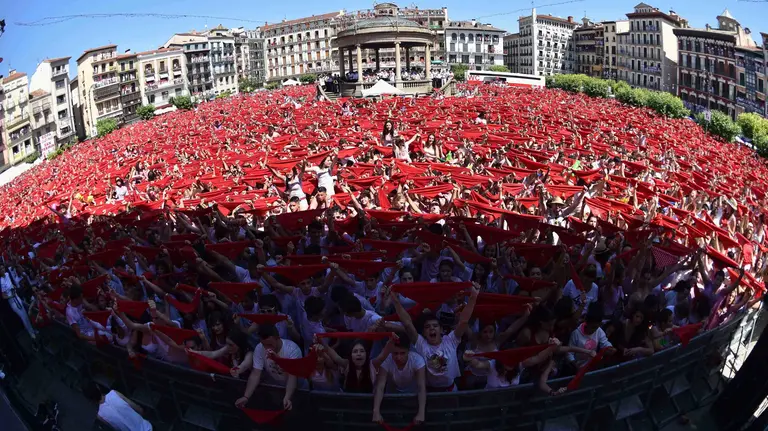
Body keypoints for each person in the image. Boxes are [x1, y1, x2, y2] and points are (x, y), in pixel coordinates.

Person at [235, 323, 301, 410]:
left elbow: (292, 377)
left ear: (277, 338)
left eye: (269, 344)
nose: (266, 348)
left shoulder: (292, 349)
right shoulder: (259, 348)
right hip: (276, 389)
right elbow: (255, 374)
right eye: (264, 344)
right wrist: (246, 396)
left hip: (298, 390)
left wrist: (287, 397)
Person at [372, 335, 426, 424]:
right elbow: (380, 386)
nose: (398, 357)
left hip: (413, 401)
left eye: (402, 353)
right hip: (393, 400)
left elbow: (421, 387)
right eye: (395, 353)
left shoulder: (417, 360)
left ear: (408, 351)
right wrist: (376, 411)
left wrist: (421, 412)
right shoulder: (387, 360)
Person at [84, 383, 153, 431]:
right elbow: (138, 408)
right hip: (147, 427)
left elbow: (116, 428)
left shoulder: (100, 415)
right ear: (98, 388)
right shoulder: (114, 393)